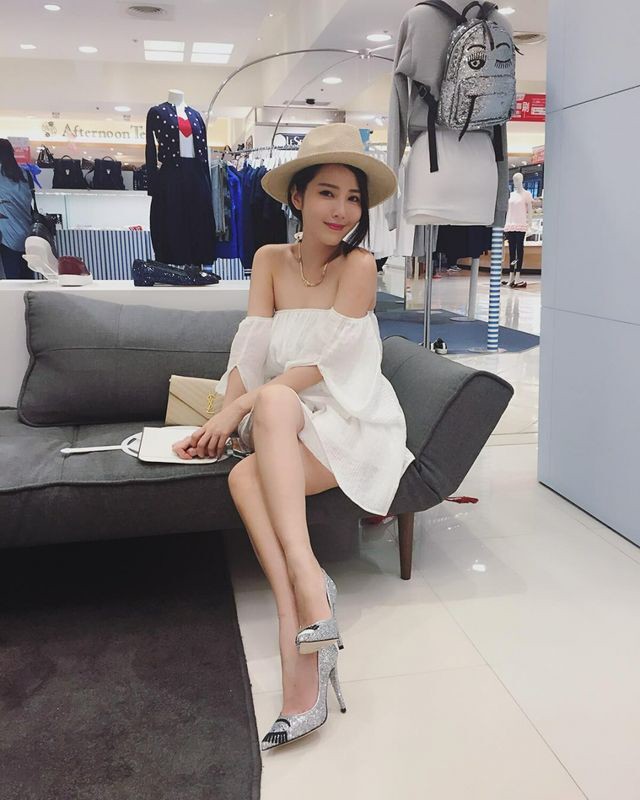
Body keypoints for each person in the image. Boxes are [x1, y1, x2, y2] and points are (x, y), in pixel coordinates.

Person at [172, 123, 416, 750]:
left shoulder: (359, 266)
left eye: (354, 198)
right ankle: (302, 626)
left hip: (350, 417)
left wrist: (240, 409)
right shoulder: (268, 261)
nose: (342, 210)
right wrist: (221, 421)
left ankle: (308, 585)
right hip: (284, 422)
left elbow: (323, 367)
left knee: (277, 401)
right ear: (298, 197)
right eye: (328, 193)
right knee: (241, 471)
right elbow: (250, 352)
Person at [0, 138, 33, 280]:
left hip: (6, 235)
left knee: (10, 279)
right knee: (26, 279)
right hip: (27, 233)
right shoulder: (25, 174)